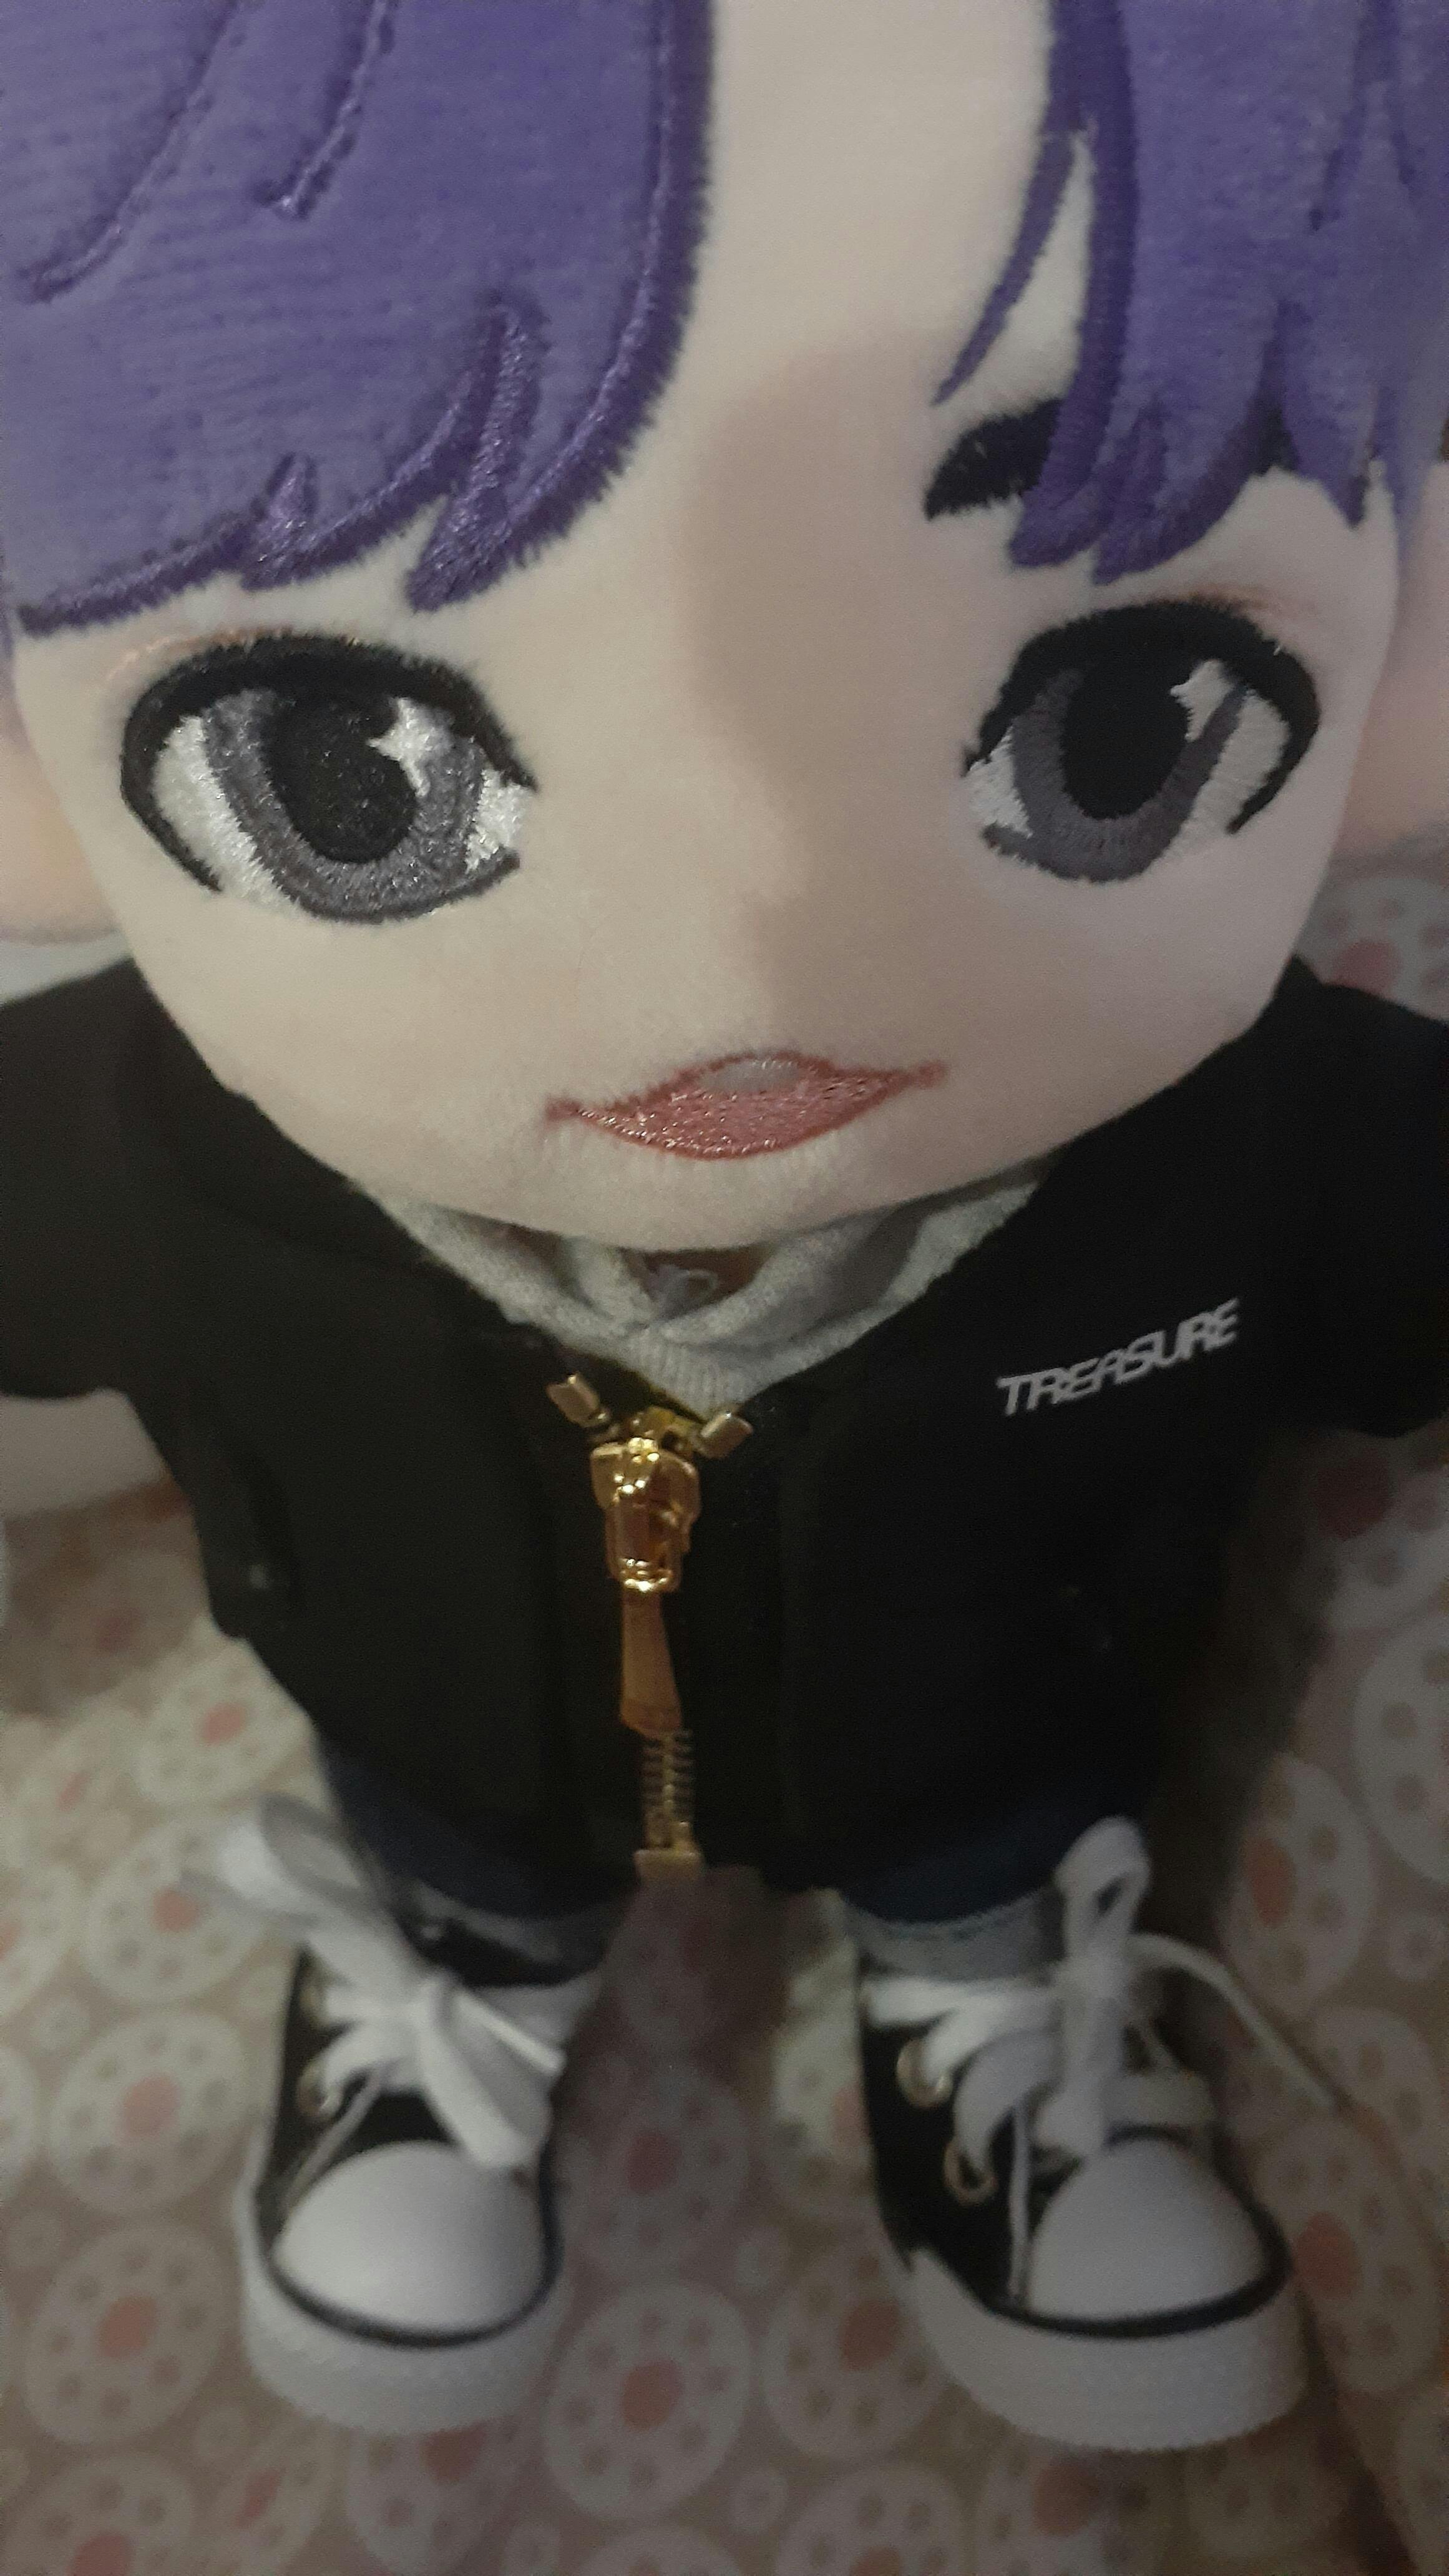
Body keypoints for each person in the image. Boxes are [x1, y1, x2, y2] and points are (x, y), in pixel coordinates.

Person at [2, 0, 1448, 2450]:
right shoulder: (145, 1140)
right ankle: (453, 1971)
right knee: (452, 1838)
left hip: (1002, 1739)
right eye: (340, 774)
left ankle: (981, 1997)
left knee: (996, 1836)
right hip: (429, 1729)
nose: (739, 957)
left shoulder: (1249, 1141)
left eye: (1120, 723)